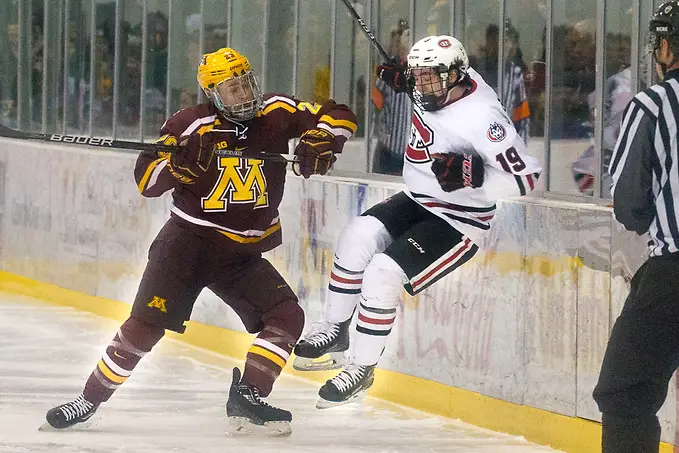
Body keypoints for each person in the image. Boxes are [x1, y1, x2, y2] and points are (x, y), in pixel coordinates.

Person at [42, 47, 357, 435]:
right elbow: (147, 180)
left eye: (246, 84)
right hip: (187, 244)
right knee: (145, 326)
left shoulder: (276, 112)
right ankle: (87, 400)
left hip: (240, 253)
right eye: (232, 89)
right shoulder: (190, 124)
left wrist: (322, 138)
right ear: (213, 93)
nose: (243, 94)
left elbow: (339, 113)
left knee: (287, 315)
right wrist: (179, 167)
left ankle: (249, 395)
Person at [293, 35, 541, 408]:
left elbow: (527, 178)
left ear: (457, 76)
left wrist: (474, 176)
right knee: (356, 237)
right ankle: (336, 330)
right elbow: (425, 81)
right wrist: (406, 79)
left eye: (430, 79)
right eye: (417, 78)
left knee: (382, 272)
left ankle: (361, 367)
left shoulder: (483, 117)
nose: (422, 87)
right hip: (418, 198)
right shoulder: (439, 83)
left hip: (460, 219)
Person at [593, 2, 679, 451]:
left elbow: (629, 204)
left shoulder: (653, 104)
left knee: (625, 394)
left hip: (674, 274)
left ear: (666, 46)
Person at [371, 18, 413, 175]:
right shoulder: (389, 70)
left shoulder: (426, 73)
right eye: (404, 43)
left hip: (416, 155)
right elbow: (374, 104)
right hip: (389, 152)